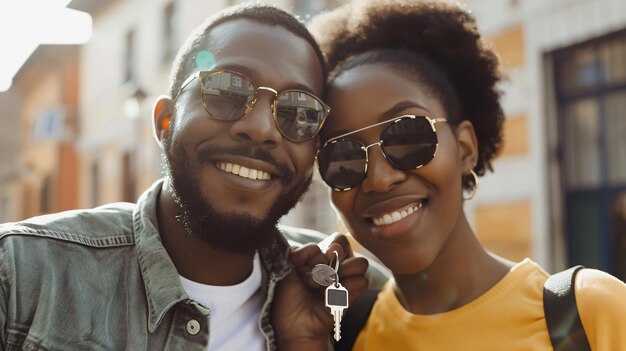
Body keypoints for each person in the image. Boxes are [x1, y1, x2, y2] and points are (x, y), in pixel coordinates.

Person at [0, 4, 385, 350]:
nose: (261, 128)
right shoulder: (21, 275)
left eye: (299, 110)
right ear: (166, 122)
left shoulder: (351, 296)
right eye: (226, 90)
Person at [310, 0, 626, 350]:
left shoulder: (588, 313)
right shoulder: (350, 332)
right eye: (342, 157)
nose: (380, 179)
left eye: (408, 137)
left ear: (464, 149)